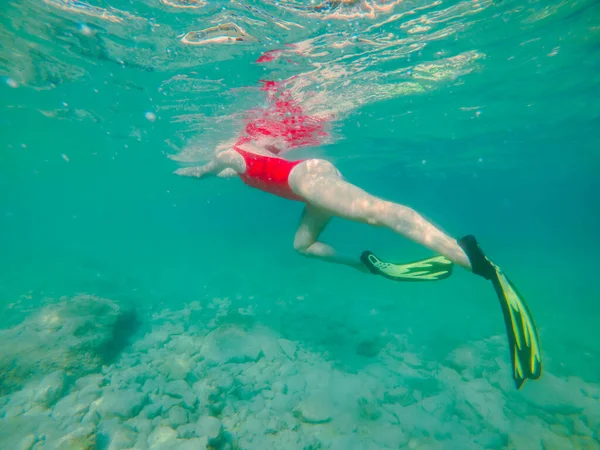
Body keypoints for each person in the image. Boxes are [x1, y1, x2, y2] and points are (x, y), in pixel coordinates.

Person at [174, 137, 542, 390]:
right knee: (302, 245)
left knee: (374, 212)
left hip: (306, 178)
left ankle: (465, 255)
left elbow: (215, 164)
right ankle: (362, 265)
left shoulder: (230, 153)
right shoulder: (241, 160)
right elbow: (230, 170)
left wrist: (195, 171)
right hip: (309, 181)